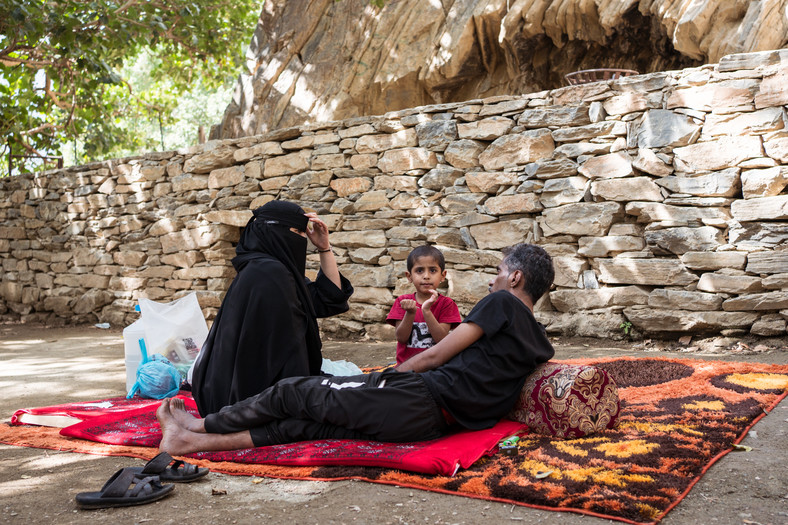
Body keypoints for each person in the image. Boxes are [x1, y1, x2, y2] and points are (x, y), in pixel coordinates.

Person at [158, 243, 555, 455]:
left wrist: (382, 379)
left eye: (499, 272)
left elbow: (434, 355)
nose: (493, 281)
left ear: (516, 276)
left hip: (418, 399)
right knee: (308, 425)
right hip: (432, 423)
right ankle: (192, 442)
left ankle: (200, 424)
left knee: (295, 389)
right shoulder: (539, 341)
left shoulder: (503, 303)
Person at [190, 200, 354, 417]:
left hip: (231, 396)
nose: (303, 239)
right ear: (275, 232)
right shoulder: (270, 273)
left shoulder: (271, 269)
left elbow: (327, 298)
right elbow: (287, 352)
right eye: (298, 232)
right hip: (251, 400)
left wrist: (324, 248)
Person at [386, 245, 462, 364]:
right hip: (406, 367)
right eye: (419, 270)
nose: (426, 276)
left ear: (443, 276)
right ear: (409, 276)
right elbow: (401, 338)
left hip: (436, 367)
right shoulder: (403, 302)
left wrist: (426, 311)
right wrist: (410, 313)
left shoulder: (447, 304)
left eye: (433, 270)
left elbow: (442, 339)